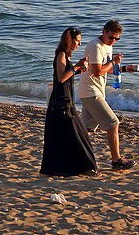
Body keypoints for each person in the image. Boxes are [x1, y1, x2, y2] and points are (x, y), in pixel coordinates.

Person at [77, 20, 135, 170]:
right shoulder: (95, 46)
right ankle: (116, 160)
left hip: (93, 91)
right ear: (104, 32)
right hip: (91, 91)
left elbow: (106, 68)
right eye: (111, 37)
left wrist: (123, 68)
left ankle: (69, 153)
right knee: (113, 123)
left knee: (86, 129)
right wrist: (113, 62)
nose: (113, 41)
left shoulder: (107, 46)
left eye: (117, 39)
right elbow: (97, 72)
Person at [40, 27, 97, 177]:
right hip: (61, 102)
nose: (79, 44)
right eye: (77, 41)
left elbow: (67, 74)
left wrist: (77, 68)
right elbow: (61, 78)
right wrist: (76, 68)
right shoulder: (61, 54)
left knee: (62, 136)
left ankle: (60, 169)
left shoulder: (66, 56)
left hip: (66, 100)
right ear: (69, 39)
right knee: (79, 134)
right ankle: (86, 168)